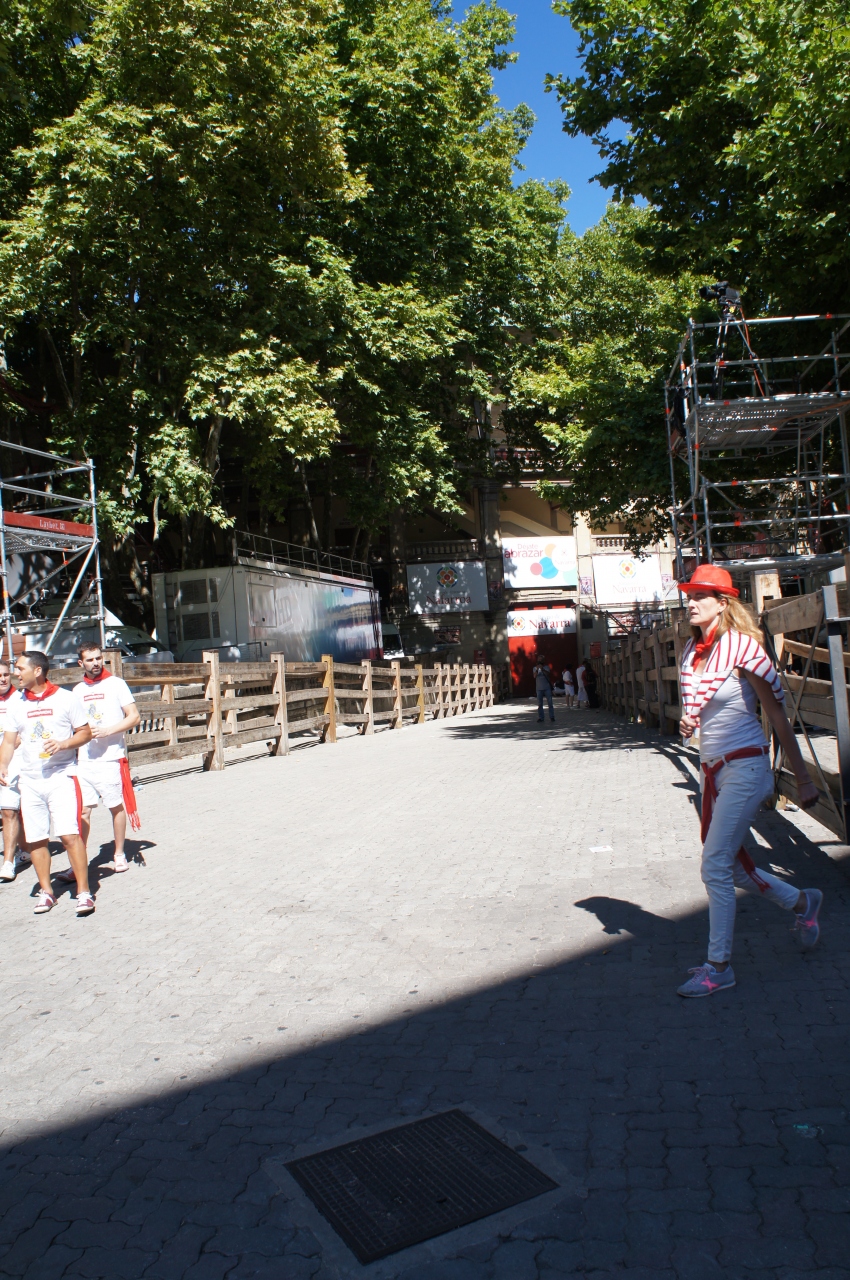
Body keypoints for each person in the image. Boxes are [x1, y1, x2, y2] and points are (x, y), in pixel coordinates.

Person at [676, 563, 822, 997]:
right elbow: (700, 709)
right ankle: (803, 901)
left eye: (700, 596)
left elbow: (777, 714)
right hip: (712, 770)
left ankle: (719, 967)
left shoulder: (744, 649)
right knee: (734, 869)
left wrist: (803, 778)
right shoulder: (691, 651)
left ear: (722, 603)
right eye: (689, 596)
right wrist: (687, 723)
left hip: (746, 767)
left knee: (715, 865)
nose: (691, 603)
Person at [0, 651, 94, 915]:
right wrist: (3, 765)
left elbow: (85, 732)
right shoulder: (16, 704)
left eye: (20, 668)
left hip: (61, 776)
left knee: (69, 836)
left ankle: (84, 892)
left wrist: (63, 744)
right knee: (36, 839)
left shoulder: (66, 698)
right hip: (29, 780)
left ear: (37, 671)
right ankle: (47, 892)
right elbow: (8, 741)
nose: (16, 673)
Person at [66, 644, 141, 874]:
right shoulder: (77, 690)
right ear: (81, 663)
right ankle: (79, 862)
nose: (96, 663)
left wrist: (108, 730)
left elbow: (134, 717)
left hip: (110, 758)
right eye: (90, 660)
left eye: (98, 658)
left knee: (115, 806)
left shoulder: (116, 684)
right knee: (82, 811)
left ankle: (119, 853)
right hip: (85, 760)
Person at [0, 658, 23, 880]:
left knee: (9, 810)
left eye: (6, 674)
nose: (3, 679)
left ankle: (8, 862)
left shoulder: (20, 699)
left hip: (12, 762)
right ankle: (24, 848)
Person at [533, 656, 555, 722]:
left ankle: (552, 717)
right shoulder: (534, 668)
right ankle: (541, 717)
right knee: (540, 704)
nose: (540, 661)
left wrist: (542, 669)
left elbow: (548, 674)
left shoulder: (546, 667)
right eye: (539, 659)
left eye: (541, 659)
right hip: (539, 688)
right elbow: (534, 676)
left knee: (550, 703)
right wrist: (537, 669)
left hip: (547, 687)